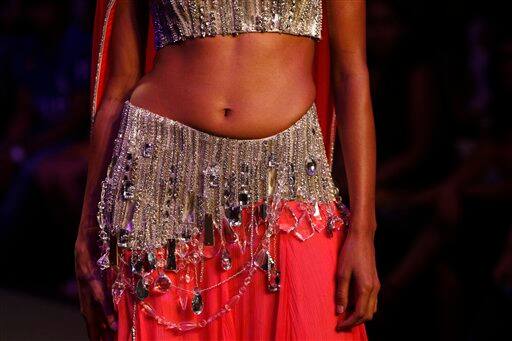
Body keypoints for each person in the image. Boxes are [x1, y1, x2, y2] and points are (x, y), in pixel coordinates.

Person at [75, 0, 379, 340]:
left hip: (288, 174)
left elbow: (351, 74)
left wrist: (364, 231)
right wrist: (87, 228)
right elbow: (119, 87)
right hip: (161, 179)